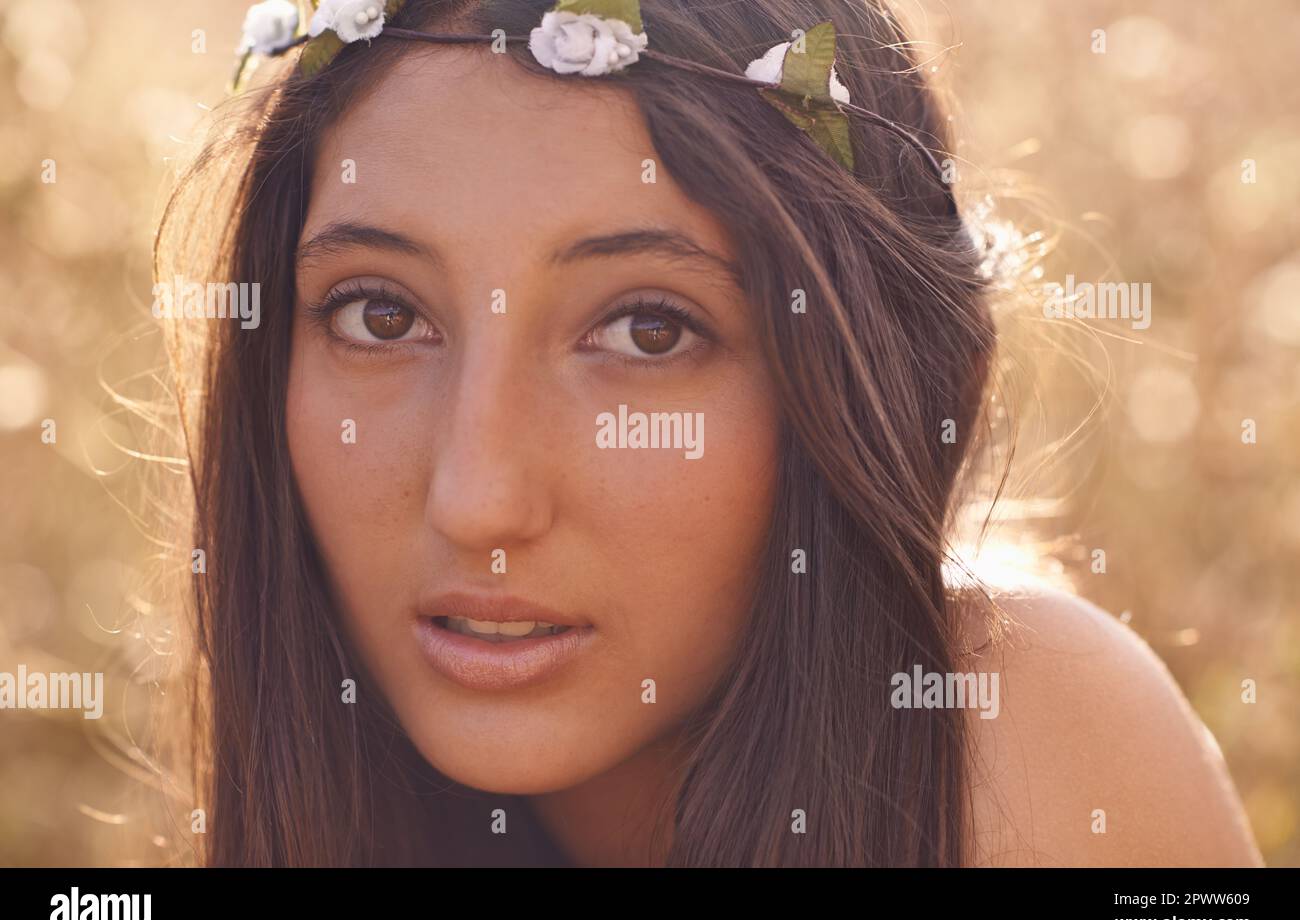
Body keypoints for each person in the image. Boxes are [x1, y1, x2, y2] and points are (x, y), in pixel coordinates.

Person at [152, 0, 1261, 866]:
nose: (478, 497)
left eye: (646, 330)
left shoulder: (1015, 746)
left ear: (854, 375)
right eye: (381, 315)